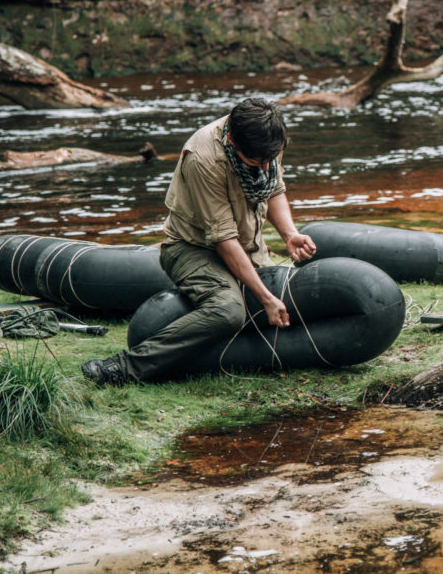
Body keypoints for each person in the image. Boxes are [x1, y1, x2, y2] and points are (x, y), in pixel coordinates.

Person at [81, 97, 316, 385]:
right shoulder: (203, 158)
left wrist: (290, 234)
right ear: (232, 140)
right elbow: (223, 239)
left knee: (282, 303)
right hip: (192, 249)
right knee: (228, 311)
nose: (267, 167)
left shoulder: (267, 138)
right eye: (258, 161)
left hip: (247, 247)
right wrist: (265, 297)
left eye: (271, 159)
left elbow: (274, 188)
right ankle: (122, 369)